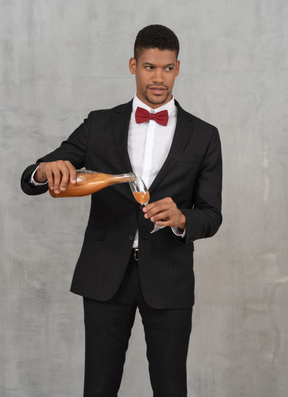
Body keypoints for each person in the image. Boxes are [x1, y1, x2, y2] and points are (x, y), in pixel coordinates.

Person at [21, 24, 222, 397]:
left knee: (170, 386)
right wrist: (43, 171)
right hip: (104, 275)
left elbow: (211, 214)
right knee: (98, 386)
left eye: (167, 68)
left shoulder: (204, 135)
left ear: (178, 68)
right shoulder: (100, 124)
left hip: (169, 277)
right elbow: (34, 176)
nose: (158, 78)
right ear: (133, 65)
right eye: (149, 67)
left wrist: (182, 219)